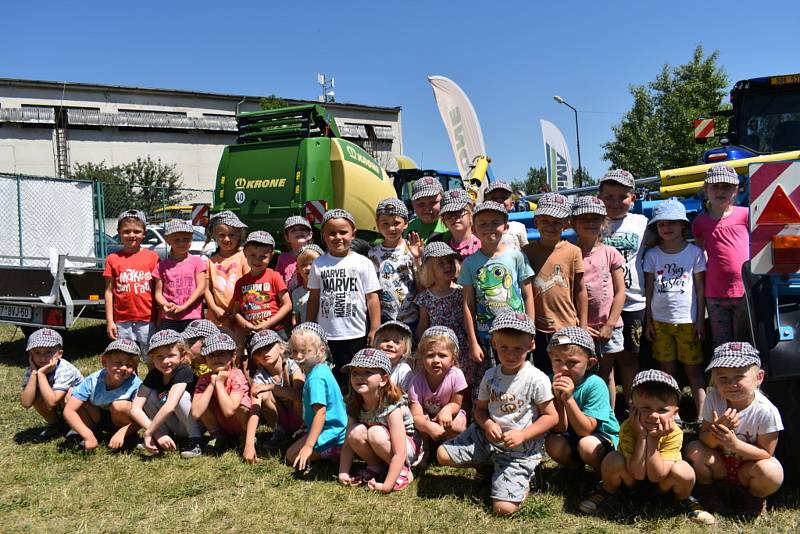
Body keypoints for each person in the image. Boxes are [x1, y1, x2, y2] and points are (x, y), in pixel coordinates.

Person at [437, 312, 557, 516]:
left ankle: (526, 476)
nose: (510, 355)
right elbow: (480, 409)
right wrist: (487, 424)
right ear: (494, 343)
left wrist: (523, 435)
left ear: (531, 346)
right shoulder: (490, 376)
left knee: (503, 510)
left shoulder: (536, 379)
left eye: (518, 349)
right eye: (504, 348)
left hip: (519, 450)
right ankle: (487, 467)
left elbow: (551, 416)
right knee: (442, 454)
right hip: (487, 439)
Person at [579, 370, 715, 525]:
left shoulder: (674, 432)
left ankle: (683, 500)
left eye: (662, 410)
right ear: (632, 408)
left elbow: (657, 476)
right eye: (645, 408)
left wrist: (654, 439)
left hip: (663, 486)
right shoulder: (628, 428)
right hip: (631, 482)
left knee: (684, 471)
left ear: (674, 413)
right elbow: (636, 472)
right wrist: (642, 436)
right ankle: (608, 491)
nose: (653, 415)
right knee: (613, 459)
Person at [684, 342, 784, 517]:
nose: (731, 384)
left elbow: (766, 453)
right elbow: (704, 440)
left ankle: (752, 498)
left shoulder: (766, 411)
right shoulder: (713, 398)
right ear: (714, 380)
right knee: (693, 449)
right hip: (720, 464)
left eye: (739, 376)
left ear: (759, 377)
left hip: (748, 467)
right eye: (722, 378)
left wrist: (734, 443)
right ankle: (711, 494)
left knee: (772, 472)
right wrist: (718, 430)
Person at [459, 201, 535, 391]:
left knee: (522, 380)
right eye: (483, 224)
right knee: (493, 383)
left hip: (518, 333)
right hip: (487, 334)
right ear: (474, 229)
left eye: (495, 222)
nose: (489, 228)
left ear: (506, 227)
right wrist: (473, 342)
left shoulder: (517, 256)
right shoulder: (469, 263)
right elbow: (468, 304)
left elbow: (528, 295)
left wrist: (530, 332)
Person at [643, 199, 707, 416]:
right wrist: (648, 321)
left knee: (693, 370)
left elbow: (700, 289)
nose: (667, 228)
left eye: (672, 223)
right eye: (661, 224)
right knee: (667, 369)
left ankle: (702, 414)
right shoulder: (652, 255)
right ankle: (672, 413)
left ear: (683, 226)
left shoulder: (695, 253)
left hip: (687, 322)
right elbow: (649, 290)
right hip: (660, 322)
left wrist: (699, 321)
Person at [306, 209, 381, 384]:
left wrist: (375, 327)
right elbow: (314, 298)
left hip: (356, 333)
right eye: (332, 233)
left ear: (353, 234)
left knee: (356, 375)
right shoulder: (319, 264)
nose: (338, 237)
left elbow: (372, 298)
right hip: (327, 335)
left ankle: (353, 410)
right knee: (332, 378)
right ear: (323, 236)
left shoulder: (363, 263)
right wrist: (309, 326)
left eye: (343, 232)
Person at [598, 169, 648, 406]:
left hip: (632, 301)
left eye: (622, 196)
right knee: (604, 362)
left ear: (633, 198)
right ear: (600, 198)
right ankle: (607, 414)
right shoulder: (595, 224)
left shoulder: (642, 224)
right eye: (609, 196)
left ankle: (633, 408)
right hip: (602, 305)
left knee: (629, 360)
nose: (616, 202)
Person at [338, 348, 419, 492]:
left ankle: (404, 471)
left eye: (367, 372)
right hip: (382, 444)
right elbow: (348, 442)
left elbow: (400, 452)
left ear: (384, 380)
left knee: (375, 432)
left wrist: (386, 486)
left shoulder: (391, 406)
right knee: (354, 432)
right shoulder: (354, 403)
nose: (359, 377)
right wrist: (343, 472)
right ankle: (376, 467)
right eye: (355, 372)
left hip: (406, 448)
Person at [572, 196, 626, 407]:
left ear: (603, 222)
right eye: (584, 218)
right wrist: (580, 326)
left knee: (606, 374)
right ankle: (584, 416)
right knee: (579, 374)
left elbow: (621, 292)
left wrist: (610, 325)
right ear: (574, 223)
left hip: (607, 327)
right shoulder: (570, 253)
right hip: (580, 327)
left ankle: (607, 418)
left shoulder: (610, 253)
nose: (590, 223)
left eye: (595, 218)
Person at [523, 193, 587, 372]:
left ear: (565, 225)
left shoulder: (573, 251)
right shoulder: (527, 251)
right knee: (544, 372)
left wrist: (582, 326)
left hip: (566, 325)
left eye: (556, 222)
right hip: (539, 328)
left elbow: (580, 290)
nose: (550, 226)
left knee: (567, 371)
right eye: (545, 220)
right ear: (536, 222)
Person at [545, 326, 619, 471]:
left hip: (599, 436)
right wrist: (558, 399)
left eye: (572, 362)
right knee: (554, 443)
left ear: (590, 363)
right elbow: (560, 428)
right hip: (572, 434)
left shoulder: (595, 384)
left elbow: (586, 430)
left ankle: (606, 472)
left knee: (587, 446)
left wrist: (568, 399)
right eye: (557, 360)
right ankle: (576, 470)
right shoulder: (548, 382)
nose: (563, 368)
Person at [692, 164, 750, 347]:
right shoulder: (700, 222)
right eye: (715, 186)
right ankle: (723, 374)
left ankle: (743, 375)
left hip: (743, 291)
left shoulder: (745, 215)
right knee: (721, 343)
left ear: (736, 190)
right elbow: (700, 256)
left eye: (726, 186)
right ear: (706, 190)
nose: (720, 191)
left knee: (745, 341)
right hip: (715, 293)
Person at [130, 329, 203, 458]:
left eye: (171, 355)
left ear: (182, 354)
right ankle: (163, 436)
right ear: (152, 358)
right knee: (149, 396)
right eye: (160, 357)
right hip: (177, 423)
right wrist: (156, 433)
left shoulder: (183, 370)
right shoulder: (154, 374)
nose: (165, 361)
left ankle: (196, 440)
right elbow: (135, 408)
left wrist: (148, 433)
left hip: (197, 423)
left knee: (180, 397)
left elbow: (170, 405)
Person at [285, 323, 348, 471]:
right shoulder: (320, 368)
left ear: (320, 351)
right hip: (336, 426)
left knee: (291, 455)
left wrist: (308, 446)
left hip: (332, 431)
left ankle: (335, 451)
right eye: (295, 351)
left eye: (305, 351)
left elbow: (321, 412)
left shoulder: (315, 379)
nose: (298, 356)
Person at [63, 339, 142, 452]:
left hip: (120, 421)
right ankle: (91, 433)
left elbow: (144, 417)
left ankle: (128, 436)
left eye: (129, 365)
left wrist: (123, 431)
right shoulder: (93, 380)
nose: (124, 368)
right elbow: (69, 410)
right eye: (118, 363)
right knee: (72, 395)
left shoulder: (137, 385)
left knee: (120, 405)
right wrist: (87, 435)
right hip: (97, 416)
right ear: (104, 361)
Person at [414, 242, 471, 390]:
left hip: (463, 346)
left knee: (464, 382)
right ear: (430, 269)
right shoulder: (426, 297)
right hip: (439, 349)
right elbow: (423, 326)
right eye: (441, 263)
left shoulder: (461, 291)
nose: (447, 266)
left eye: (450, 261)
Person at [243, 330, 305, 462]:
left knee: (296, 398)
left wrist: (272, 387)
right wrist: (249, 444)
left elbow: (301, 396)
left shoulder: (292, 365)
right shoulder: (260, 376)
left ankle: (302, 432)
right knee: (261, 393)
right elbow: (255, 408)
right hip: (281, 416)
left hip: (299, 415)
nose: (264, 353)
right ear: (256, 359)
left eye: (268, 347)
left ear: (281, 347)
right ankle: (279, 431)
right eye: (259, 351)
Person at [103, 209, 159, 356]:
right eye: (126, 231)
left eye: (137, 231)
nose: (132, 235)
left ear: (144, 233)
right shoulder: (112, 259)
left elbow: (158, 290)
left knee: (151, 358)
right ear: (119, 232)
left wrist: (159, 318)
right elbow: (108, 292)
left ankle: (151, 380)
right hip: (122, 321)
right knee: (127, 359)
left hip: (148, 319)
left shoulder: (153, 257)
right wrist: (110, 321)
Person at [20, 328, 83, 442]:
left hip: (81, 409)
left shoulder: (64, 369)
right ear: (31, 355)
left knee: (70, 394)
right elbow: (26, 403)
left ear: (59, 354)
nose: (42, 358)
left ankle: (76, 427)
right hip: (58, 406)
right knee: (36, 393)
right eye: (37, 352)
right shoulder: (32, 370)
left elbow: (52, 401)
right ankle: (55, 425)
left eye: (49, 352)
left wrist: (41, 374)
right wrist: (35, 374)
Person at [408, 326, 468, 446]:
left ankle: (449, 444)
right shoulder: (416, 381)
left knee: (457, 425)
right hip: (427, 420)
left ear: (453, 359)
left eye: (442, 355)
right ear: (422, 358)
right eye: (430, 355)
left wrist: (447, 410)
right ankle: (426, 448)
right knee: (420, 421)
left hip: (450, 416)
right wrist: (429, 426)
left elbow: (456, 403)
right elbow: (416, 414)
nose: (436, 360)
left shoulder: (456, 375)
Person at [191, 333, 251, 450]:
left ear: (233, 356)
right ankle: (217, 435)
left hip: (238, 424)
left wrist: (219, 383)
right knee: (202, 402)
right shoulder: (204, 379)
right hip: (220, 423)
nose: (216, 358)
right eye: (211, 355)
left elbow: (229, 411)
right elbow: (196, 413)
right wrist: (211, 384)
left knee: (243, 405)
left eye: (222, 354)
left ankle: (245, 435)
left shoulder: (237, 375)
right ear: (205, 359)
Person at [229, 231, 292, 339]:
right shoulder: (240, 283)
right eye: (252, 255)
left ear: (271, 256)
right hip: (251, 333)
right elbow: (236, 312)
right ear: (245, 253)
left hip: (276, 331)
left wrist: (267, 324)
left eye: (263, 256)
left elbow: (287, 305)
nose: (257, 260)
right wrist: (245, 323)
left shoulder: (274, 276)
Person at [368, 198, 421, 326]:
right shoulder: (372, 254)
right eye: (385, 224)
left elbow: (422, 285)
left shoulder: (412, 250)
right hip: (384, 319)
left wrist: (418, 259)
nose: (391, 228)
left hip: (411, 318)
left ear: (406, 223)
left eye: (396, 223)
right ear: (377, 224)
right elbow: (371, 290)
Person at [153, 219, 207, 333]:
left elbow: (201, 288)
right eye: (177, 240)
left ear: (191, 240)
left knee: (193, 349)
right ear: (168, 240)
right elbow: (158, 293)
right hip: (169, 317)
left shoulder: (197, 262)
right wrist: (165, 305)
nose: (182, 243)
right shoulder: (161, 266)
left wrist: (184, 307)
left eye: (186, 239)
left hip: (193, 316)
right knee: (171, 349)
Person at [203, 211, 249, 330]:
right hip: (216, 318)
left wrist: (234, 312)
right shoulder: (210, 262)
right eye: (222, 235)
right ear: (214, 235)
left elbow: (247, 286)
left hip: (239, 317)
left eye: (232, 235)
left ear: (239, 235)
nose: (227, 239)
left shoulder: (244, 258)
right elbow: (206, 289)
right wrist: (214, 308)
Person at [484, 180, 529, 250]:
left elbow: (526, 252)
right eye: (493, 198)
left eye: (503, 197)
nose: (499, 201)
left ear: (512, 204)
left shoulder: (518, 227)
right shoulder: (482, 228)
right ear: (485, 203)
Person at [438, 189, 481, 259]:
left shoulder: (482, 244)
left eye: (460, 212)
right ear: (443, 220)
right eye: (449, 214)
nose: (454, 217)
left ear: (471, 214)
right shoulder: (443, 249)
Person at [373, 320, 414, 392]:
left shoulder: (403, 370)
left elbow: (407, 396)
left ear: (405, 350)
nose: (390, 344)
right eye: (385, 340)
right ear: (375, 344)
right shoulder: (370, 366)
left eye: (396, 342)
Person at [276, 216, 314, 293]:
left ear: (310, 234)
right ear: (287, 237)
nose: (299, 232)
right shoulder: (283, 258)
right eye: (294, 230)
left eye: (303, 229)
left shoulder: (316, 255)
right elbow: (278, 282)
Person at [405, 176, 447, 242]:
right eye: (421, 204)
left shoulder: (450, 227)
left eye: (433, 202)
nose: (427, 209)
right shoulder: (408, 227)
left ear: (443, 201)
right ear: (413, 204)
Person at [291, 244, 323, 327]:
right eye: (303, 265)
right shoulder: (296, 293)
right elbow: (296, 317)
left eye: (312, 264)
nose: (308, 268)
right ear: (298, 269)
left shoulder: (326, 290)